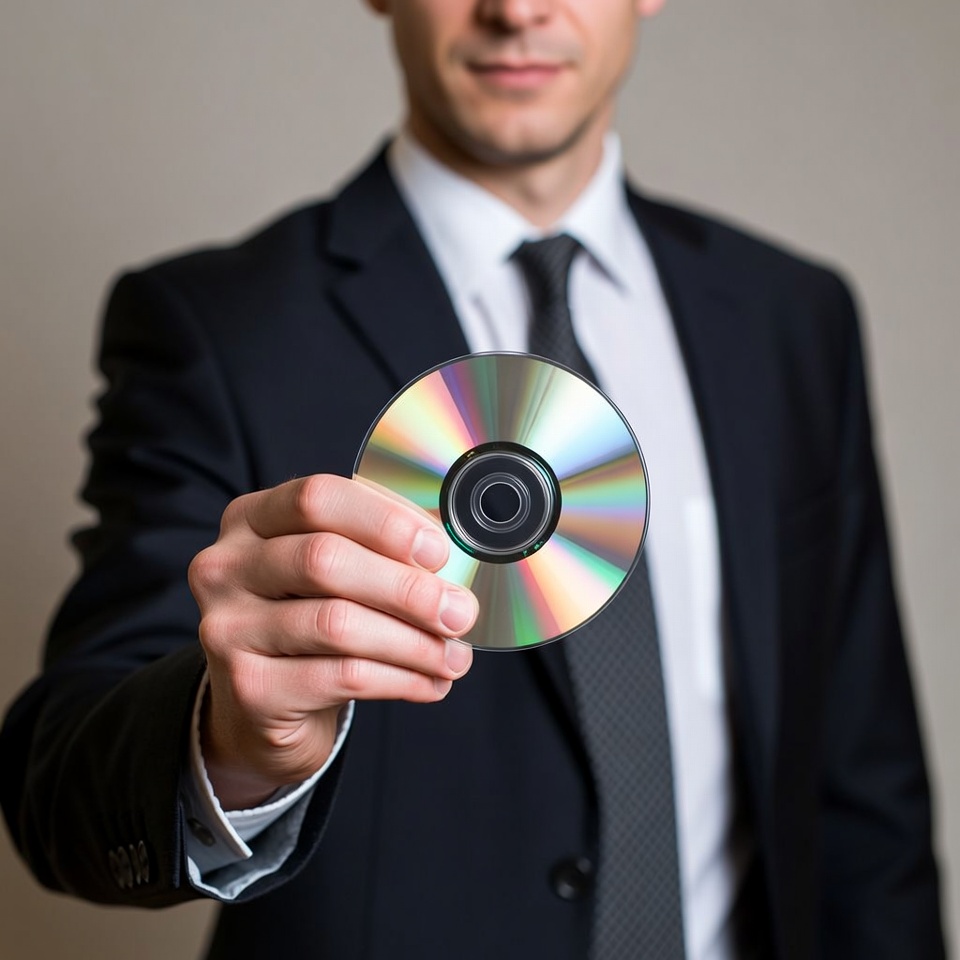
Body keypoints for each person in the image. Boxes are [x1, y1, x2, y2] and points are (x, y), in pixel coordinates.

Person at [0, 1, 946, 957]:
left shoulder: (790, 319)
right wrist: (233, 745)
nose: (517, 9)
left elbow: (867, 796)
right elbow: (58, 791)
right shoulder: (219, 328)